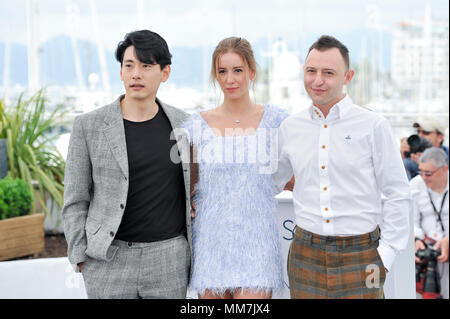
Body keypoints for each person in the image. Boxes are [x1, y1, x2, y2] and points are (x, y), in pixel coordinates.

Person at [274, 35, 411, 299]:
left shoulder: (373, 125)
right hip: (305, 252)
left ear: (347, 77)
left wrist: (386, 254)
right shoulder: (290, 128)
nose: (317, 80)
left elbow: (397, 191)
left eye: (328, 73)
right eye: (311, 71)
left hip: (364, 254)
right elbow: (271, 181)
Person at [62, 30, 192, 299]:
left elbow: (196, 187)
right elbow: (75, 198)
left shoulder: (185, 125)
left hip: (168, 260)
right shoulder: (89, 126)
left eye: (146, 66)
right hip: (108, 260)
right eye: (129, 65)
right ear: (121, 72)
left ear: (165, 72)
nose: (136, 74)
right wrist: (81, 258)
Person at [182, 37, 289, 299]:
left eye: (237, 70)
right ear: (215, 76)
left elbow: (297, 176)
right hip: (210, 244)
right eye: (222, 71)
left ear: (252, 72)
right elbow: (188, 186)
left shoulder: (277, 122)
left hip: (257, 247)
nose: (230, 79)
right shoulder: (197, 126)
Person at [411, 147, 449, 299]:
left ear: (444, 169)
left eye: (428, 173)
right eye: (420, 172)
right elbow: (409, 221)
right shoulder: (415, 185)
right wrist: (415, 240)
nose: (423, 177)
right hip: (427, 256)